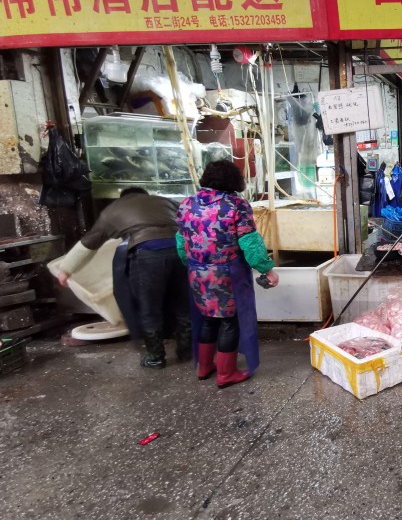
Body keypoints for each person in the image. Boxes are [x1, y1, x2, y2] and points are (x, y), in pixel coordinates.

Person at [56, 187, 190, 369]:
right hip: (181, 250)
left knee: (149, 308)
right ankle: (186, 351)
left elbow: (88, 244)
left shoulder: (113, 209)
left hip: (147, 254)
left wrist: (65, 270)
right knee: (183, 305)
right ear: (145, 195)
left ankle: (156, 357)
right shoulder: (164, 202)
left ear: (122, 198)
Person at [176, 161, 279, 389]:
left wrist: (193, 266)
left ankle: (204, 367)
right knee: (229, 321)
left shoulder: (187, 204)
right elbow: (249, 241)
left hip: (197, 272)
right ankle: (226, 373)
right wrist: (267, 269)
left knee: (207, 318)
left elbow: (181, 242)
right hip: (226, 274)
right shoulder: (235, 204)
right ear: (234, 180)